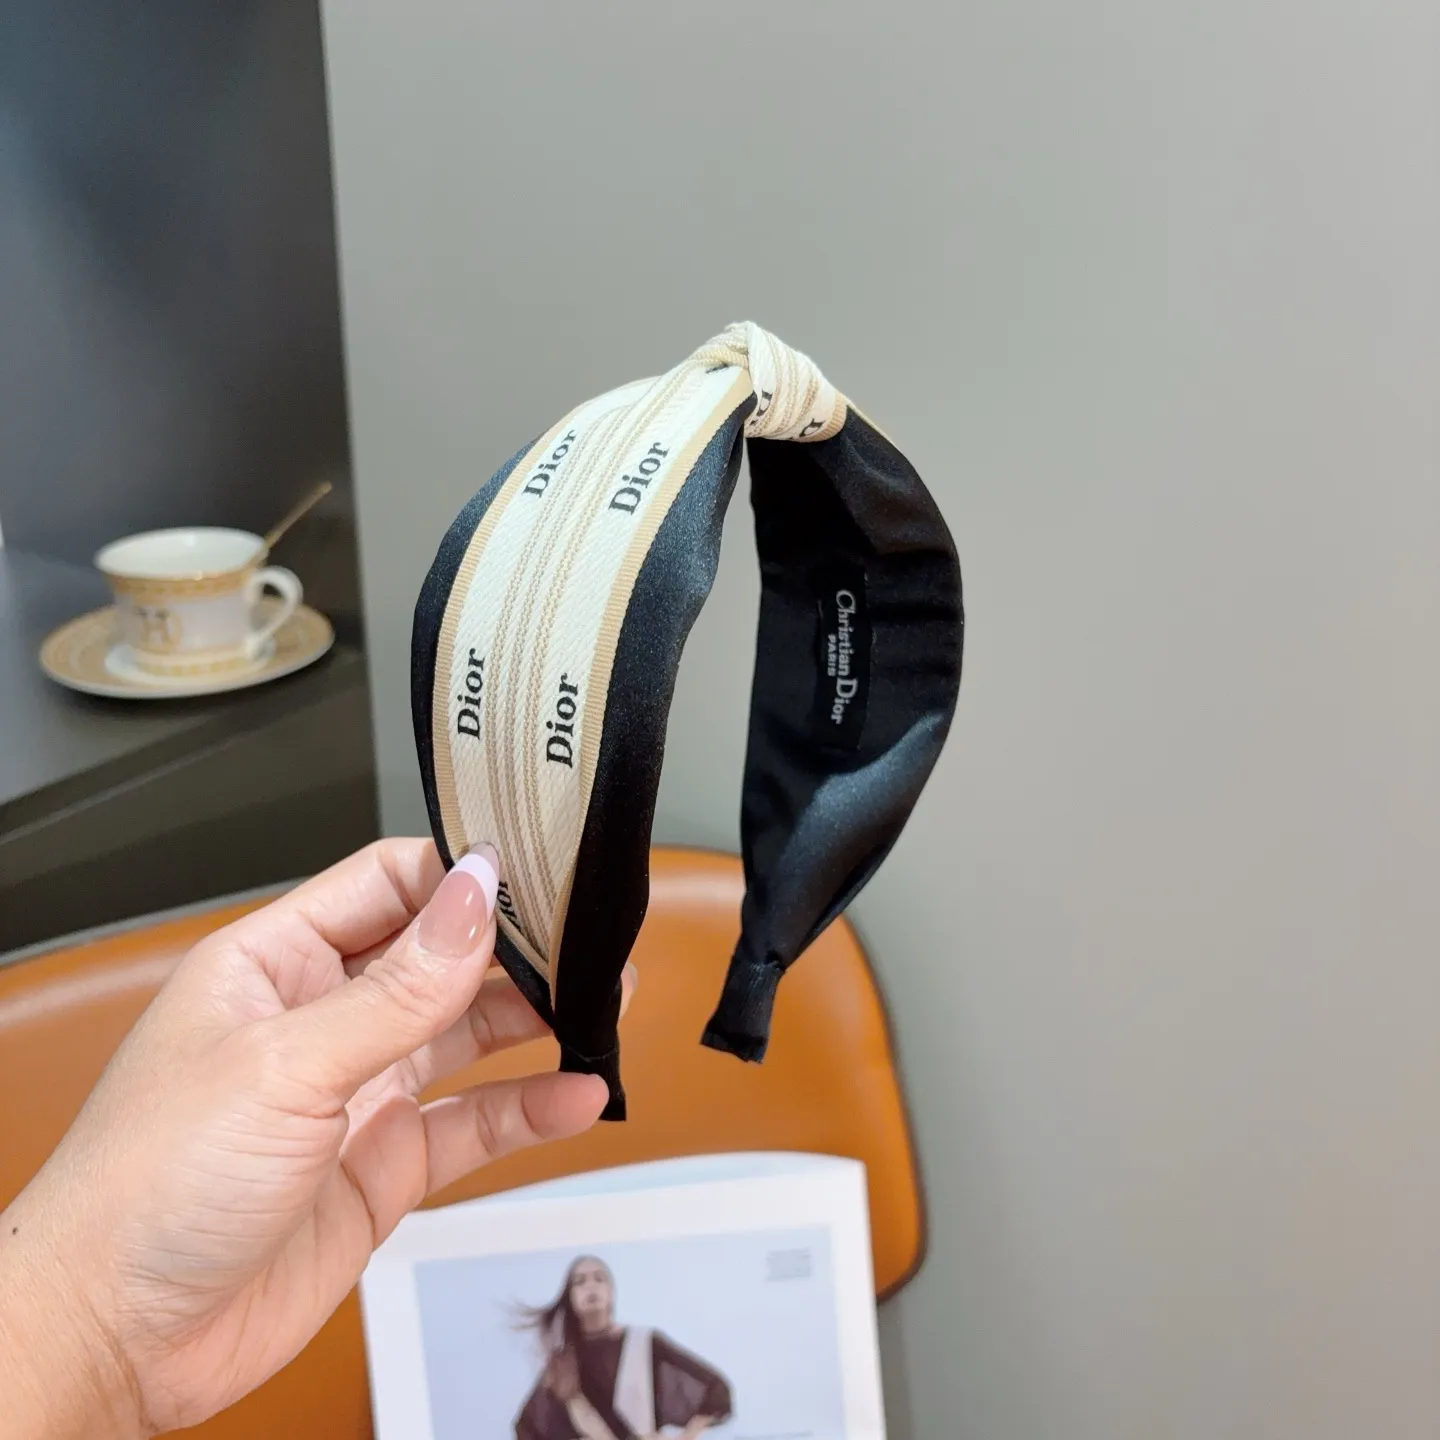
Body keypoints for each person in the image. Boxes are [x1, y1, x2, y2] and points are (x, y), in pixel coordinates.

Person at [0, 838, 634, 1440]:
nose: (591, 1291)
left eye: (596, 1280)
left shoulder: (642, 1352)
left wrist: (99, 1332)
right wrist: (97, 1328)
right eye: (584, 1280)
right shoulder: (551, 1371)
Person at [514, 1255, 732, 1440]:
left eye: (599, 1278)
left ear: (612, 1292)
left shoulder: (644, 1342)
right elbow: (526, 1428)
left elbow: (716, 1390)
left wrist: (685, 1437)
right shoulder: (563, 1362)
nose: (591, 1286)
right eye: (579, 1282)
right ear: (570, 1297)